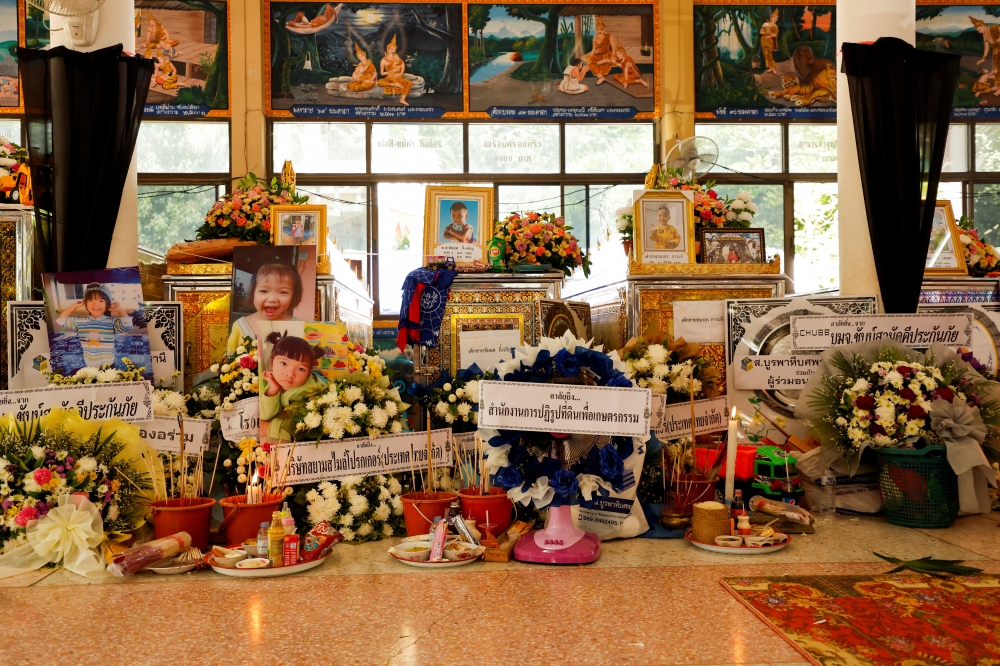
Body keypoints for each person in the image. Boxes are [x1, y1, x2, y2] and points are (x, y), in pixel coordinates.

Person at [259, 331, 327, 442]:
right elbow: (265, 414)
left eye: (301, 369)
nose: (290, 374)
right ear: (271, 363)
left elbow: (301, 430)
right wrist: (273, 390)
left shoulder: (308, 392)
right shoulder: (275, 378)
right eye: (283, 363)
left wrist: (267, 428)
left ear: (309, 372)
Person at [228, 263, 303, 353]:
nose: (272, 299)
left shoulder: (298, 325)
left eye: (283, 292)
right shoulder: (240, 326)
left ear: (293, 296)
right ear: (252, 293)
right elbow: (229, 360)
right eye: (264, 291)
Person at [56, 283, 133, 368]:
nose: (95, 305)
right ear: (85, 302)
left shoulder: (111, 322)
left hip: (109, 363)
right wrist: (73, 307)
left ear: (107, 303)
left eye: (101, 301)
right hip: (90, 363)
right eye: (91, 300)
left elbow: (127, 327)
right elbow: (61, 320)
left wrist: (120, 310)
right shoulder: (80, 321)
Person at [377, 34, 411, 107]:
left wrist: (400, 73)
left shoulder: (397, 58)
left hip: (398, 78)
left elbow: (402, 65)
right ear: (388, 49)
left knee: (409, 83)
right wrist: (390, 72)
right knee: (379, 82)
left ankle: (402, 99)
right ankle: (394, 85)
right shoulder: (383, 60)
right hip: (389, 78)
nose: (393, 51)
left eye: (394, 50)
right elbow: (382, 73)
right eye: (391, 49)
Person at [581, 17, 615, 85]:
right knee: (590, 62)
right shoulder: (595, 38)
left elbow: (613, 47)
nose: (599, 31)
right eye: (598, 30)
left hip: (606, 54)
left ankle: (600, 75)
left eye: (601, 29)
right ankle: (600, 76)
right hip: (598, 54)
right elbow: (593, 49)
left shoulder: (609, 36)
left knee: (604, 64)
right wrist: (591, 56)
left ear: (604, 30)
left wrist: (613, 56)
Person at [973, 16, 1000, 86]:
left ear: (982, 25)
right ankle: (997, 86)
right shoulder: (984, 35)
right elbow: (986, 47)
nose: (979, 32)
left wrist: (998, 40)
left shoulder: (992, 28)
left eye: (979, 29)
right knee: (995, 68)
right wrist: (983, 59)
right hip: (996, 51)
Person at [759, 9, 779, 74]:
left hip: (770, 42)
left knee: (770, 55)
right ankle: (771, 68)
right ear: (771, 17)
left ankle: (773, 68)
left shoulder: (775, 26)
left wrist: (769, 33)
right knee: (766, 55)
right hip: (764, 41)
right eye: (774, 17)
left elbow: (775, 35)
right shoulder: (765, 24)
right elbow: (761, 32)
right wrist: (767, 33)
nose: (775, 19)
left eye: (776, 18)